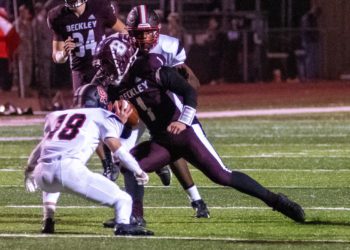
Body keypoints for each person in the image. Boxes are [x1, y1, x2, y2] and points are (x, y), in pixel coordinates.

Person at [96, 34, 306, 226]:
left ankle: (277, 201)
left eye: (107, 63)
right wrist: (122, 122)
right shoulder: (116, 87)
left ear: (121, 60)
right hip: (161, 139)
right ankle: (135, 217)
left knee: (222, 176)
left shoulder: (151, 67)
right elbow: (127, 121)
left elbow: (189, 92)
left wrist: (184, 121)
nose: (104, 70)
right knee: (130, 165)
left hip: (186, 133)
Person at [102, 5, 208, 228]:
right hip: (132, 106)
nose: (142, 39)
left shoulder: (168, 46)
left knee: (173, 147)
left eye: (147, 32)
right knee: (123, 156)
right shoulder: (121, 46)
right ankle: (129, 212)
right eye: (137, 33)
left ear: (156, 31)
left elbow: (192, 83)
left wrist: (178, 88)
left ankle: (197, 200)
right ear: (129, 31)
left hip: (161, 107)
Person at [24, 83, 153, 236]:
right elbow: (118, 150)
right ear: (101, 100)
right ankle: (123, 226)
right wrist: (138, 170)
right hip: (68, 170)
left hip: (42, 175)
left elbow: (41, 148)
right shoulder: (101, 114)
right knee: (124, 200)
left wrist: (29, 172)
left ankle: (48, 220)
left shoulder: (55, 116)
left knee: (51, 168)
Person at [12, 4, 33, 97]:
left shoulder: (28, 23)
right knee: (21, 72)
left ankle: (27, 90)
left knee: (28, 71)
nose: (26, 13)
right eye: (24, 11)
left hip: (28, 50)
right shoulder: (17, 24)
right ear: (21, 12)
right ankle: (22, 92)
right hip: (21, 51)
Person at [300, 6, 321, 80]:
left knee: (313, 59)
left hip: (313, 40)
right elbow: (306, 29)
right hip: (308, 41)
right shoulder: (307, 18)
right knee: (309, 58)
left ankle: (312, 74)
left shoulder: (313, 18)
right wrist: (314, 33)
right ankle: (308, 75)